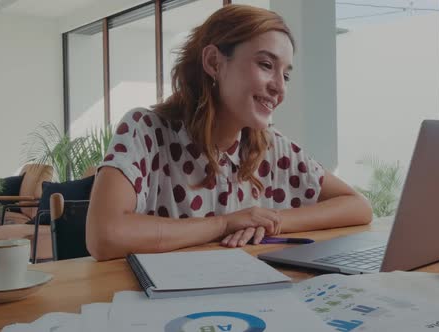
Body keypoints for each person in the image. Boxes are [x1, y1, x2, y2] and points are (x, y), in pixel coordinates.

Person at [86, 4, 372, 261]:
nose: (280, 88)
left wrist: (266, 220)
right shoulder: (145, 131)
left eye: (285, 75)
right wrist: (224, 223)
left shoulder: (273, 147)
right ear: (213, 62)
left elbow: (358, 206)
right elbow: (105, 236)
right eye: (266, 65)